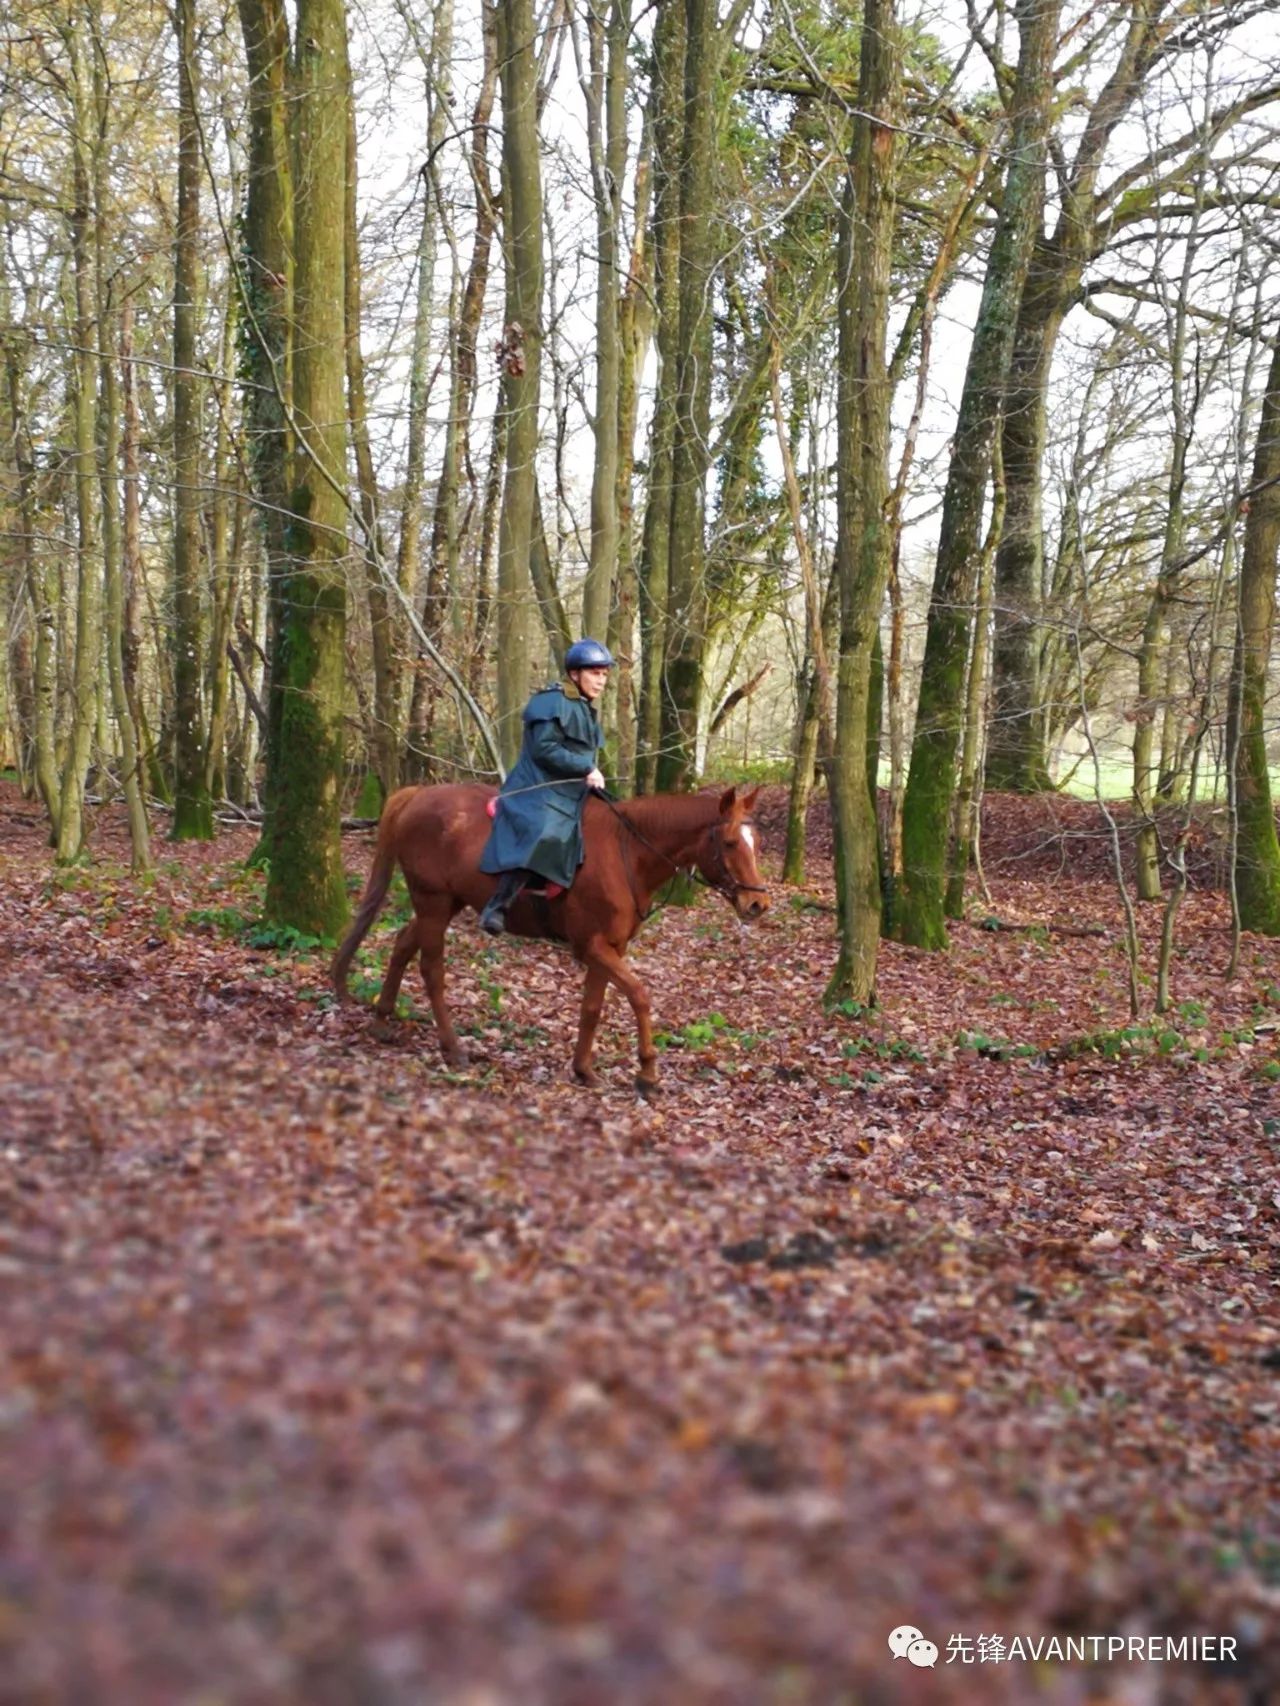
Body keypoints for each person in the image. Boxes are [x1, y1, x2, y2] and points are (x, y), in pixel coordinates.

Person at [477, 639, 615, 935]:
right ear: (575, 674)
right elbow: (544, 749)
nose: (601, 681)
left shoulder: (585, 710)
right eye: (594, 673)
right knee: (545, 831)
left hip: (570, 788)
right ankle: (498, 906)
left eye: (604, 674)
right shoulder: (550, 701)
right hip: (537, 785)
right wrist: (586, 768)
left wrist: (591, 776)